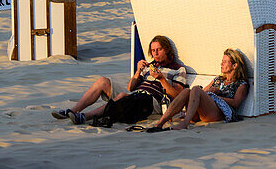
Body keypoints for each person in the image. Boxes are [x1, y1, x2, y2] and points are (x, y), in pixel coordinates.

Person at [51, 36, 186, 126]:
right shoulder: (151, 65)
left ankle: (85, 117)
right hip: (136, 94)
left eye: (159, 50)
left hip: (153, 101)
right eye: (153, 50)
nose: (155, 53)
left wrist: (162, 79)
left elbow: (177, 96)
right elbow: (130, 87)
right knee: (103, 81)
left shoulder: (178, 69)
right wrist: (138, 72)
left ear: (167, 50)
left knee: (122, 97)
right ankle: (73, 111)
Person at [147, 49, 249, 131]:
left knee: (196, 89)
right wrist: (209, 93)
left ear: (234, 66)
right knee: (187, 91)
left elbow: (235, 103)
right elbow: (202, 93)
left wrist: (215, 95)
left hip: (220, 113)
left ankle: (185, 123)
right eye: (222, 61)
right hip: (204, 112)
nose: (221, 64)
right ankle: (160, 122)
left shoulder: (240, 84)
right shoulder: (218, 79)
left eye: (225, 62)